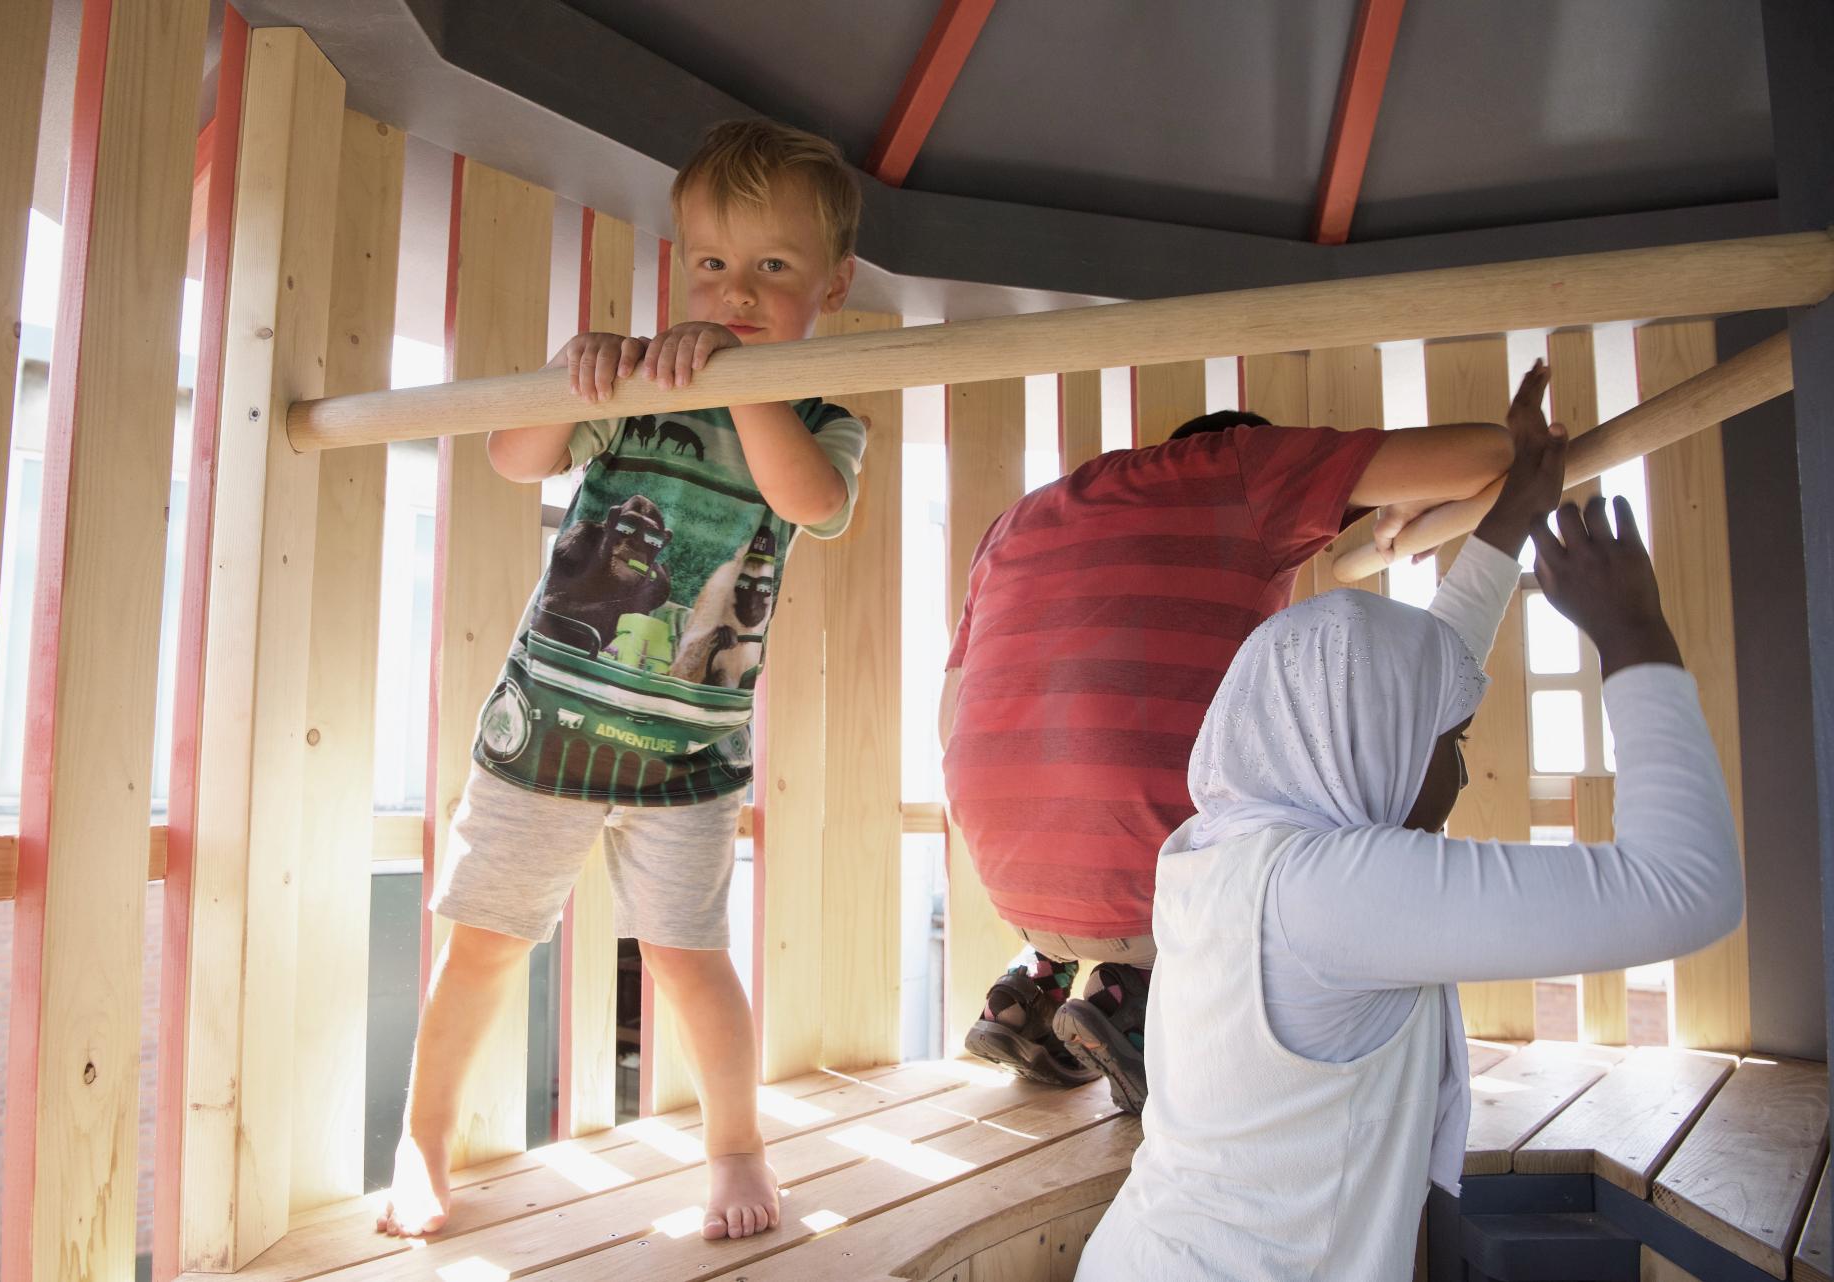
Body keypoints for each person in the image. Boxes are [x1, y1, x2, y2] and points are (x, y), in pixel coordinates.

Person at [1078, 397, 1742, 1279]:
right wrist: (1634, 634)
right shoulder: (1327, 897)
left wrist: (1515, 514)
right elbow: (1687, 891)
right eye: (1452, 739)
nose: (1458, 765)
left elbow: (1417, 675)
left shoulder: (1219, 854)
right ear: (1372, 744)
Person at [378, 120, 867, 1243]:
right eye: (711, 265)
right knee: (484, 942)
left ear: (831, 284)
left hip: (688, 753)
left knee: (691, 957)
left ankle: (736, 1143)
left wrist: (743, 376)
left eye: (772, 268)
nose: (735, 290)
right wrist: (575, 373)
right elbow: (515, 457)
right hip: (547, 724)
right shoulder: (642, 384)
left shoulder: (828, 418)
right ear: (678, 269)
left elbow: (809, 502)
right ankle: (424, 1133)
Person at [942, 381, 1537, 1112]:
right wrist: (1410, 498)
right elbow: (1491, 455)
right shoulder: (1241, 468)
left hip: (1015, 880)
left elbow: (951, 719)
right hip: (1156, 896)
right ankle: (1137, 999)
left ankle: (1029, 991)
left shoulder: (1013, 523)